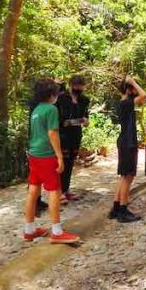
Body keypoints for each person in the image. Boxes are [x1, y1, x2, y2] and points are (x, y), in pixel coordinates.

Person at [23, 79, 80, 244]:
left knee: (33, 191)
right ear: (52, 94)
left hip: (34, 154)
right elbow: (52, 133)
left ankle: (29, 230)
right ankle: (57, 232)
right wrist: (59, 156)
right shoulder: (51, 109)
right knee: (55, 191)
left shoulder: (36, 109)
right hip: (46, 155)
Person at [109, 76, 146, 222]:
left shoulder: (122, 103)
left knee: (124, 176)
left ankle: (116, 207)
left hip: (125, 141)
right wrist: (133, 82)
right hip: (128, 142)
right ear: (129, 89)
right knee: (127, 177)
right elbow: (144, 95)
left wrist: (132, 83)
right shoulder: (126, 103)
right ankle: (123, 210)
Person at [56, 75, 90, 203]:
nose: (79, 89)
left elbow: (85, 117)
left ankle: (66, 189)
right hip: (63, 136)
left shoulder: (84, 100)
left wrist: (84, 121)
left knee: (71, 162)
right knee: (62, 163)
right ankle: (59, 191)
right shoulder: (61, 98)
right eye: (76, 86)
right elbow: (63, 121)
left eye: (81, 87)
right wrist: (79, 121)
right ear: (71, 85)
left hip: (76, 135)